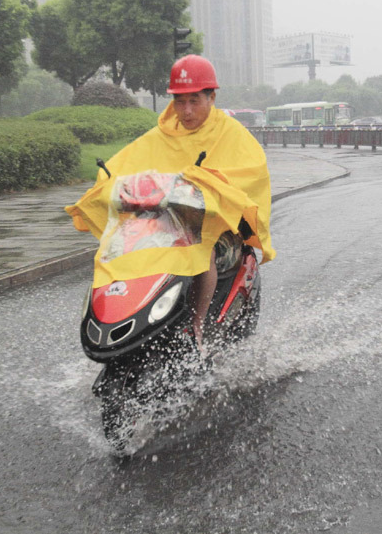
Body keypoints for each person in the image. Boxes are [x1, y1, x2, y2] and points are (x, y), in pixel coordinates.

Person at [66, 55, 274, 356]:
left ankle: (197, 329)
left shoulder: (231, 135)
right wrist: (108, 185)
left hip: (216, 226)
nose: (186, 110)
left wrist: (209, 185)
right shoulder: (160, 136)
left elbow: (249, 176)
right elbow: (123, 167)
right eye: (179, 101)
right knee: (121, 249)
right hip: (165, 223)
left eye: (195, 101)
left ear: (211, 97)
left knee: (201, 254)